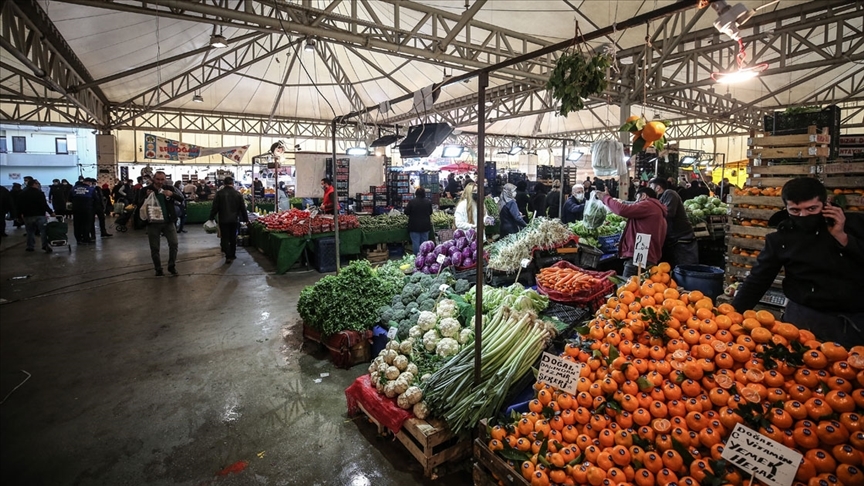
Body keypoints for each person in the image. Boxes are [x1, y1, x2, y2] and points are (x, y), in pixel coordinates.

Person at [732, 178, 864, 347]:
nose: (804, 216)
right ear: (786, 208)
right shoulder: (781, 238)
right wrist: (733, 315)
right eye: (795, 210)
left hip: (853, 323)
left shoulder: (854, 225)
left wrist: (842, 237)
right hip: (802, 319)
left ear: (826, 204)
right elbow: (758, 279)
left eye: (811, 209)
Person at [598, 186, 667, 278]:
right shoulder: (656, 210)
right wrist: (625, 243)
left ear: (643, 196)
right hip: (647, 255)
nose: (635, 202)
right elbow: (643, 230)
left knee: (627, 288)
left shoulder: (648, 205)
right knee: (639, 288)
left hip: (640, 257)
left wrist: (605, 198)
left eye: (636, 198)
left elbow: (622, 210)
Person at [141, 171, 184, 276]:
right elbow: (138, 203)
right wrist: (146, 197)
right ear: (153, 179)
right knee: (155, 247)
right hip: (153, 223)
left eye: (162, 179)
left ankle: (171, 266)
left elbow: (181, 198)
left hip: (168, 222)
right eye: (158, 179)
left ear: (165, 179)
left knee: (174, 244)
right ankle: (158, 268)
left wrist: (171, 194)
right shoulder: (145, 190)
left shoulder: (169, 188)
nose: (160, 182)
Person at [649, 178, 698, 268]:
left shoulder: (670, 193)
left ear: (658, 187)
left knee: (684, 268)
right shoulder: (659, 199)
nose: (650, 190)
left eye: (651, 187)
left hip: (682, 238)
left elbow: (668, 213)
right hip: (673, 238)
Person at [209, 176, 248, 264]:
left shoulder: (219, 193)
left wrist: (211, 217)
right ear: (232, 183)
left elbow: (215, 207)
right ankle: (233, 254)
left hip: (223, 219)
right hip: (234, 219)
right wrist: (246, 219)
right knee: (233, 237)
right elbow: (242, 208)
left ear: (224, 183)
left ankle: (228, 256)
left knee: (225, 237)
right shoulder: (238, 194)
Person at [18, 179, 56, 253]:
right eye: (37, 183)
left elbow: (19, 205)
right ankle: (45, 245)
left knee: (30, 232)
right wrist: (51, 212)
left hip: (28, 215)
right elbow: (44, 204)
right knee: (43, 231)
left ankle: (30, 246)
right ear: (34, 184)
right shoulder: (39, 193)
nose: (38, 185)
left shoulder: (22, 194)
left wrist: (19, 215)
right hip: (40, 215)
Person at [404, 187, 433, 255]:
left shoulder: (412, 202)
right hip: (425, 225)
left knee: (415, 243)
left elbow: (406, 212)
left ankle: (417, 258)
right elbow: (430, 212)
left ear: (416, 193)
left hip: (414, 226)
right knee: (424, 243)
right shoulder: (428, 202)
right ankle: (425, 257)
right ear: (424, 194)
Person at [70, 178, 96, 245]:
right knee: (86, 224)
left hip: (76, 209)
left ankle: (78, 239)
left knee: (77, 224)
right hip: (87, 209)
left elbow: (69, 199)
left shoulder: (73, 189)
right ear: (88, 182)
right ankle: (86, 238)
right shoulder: (91, 189)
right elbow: (96, 199)